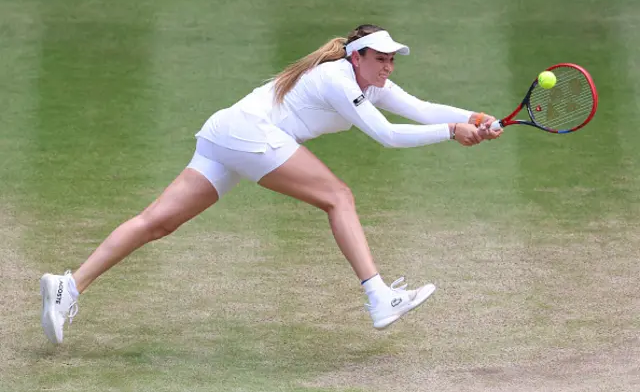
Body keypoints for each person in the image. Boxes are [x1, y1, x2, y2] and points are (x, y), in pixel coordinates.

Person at [40, 24, 502, 344]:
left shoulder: (369, 81)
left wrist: (474, 118)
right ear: (356, 56)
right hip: (249, 134)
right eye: (380, 59)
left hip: (229, 131)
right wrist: (449, 133)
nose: (387, 68)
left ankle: (68, 287)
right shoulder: (337, 78)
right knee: (338, 196)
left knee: (157, 222)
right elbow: (387, 135)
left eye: (391, 61)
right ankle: (379, 297)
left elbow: (420, 109)